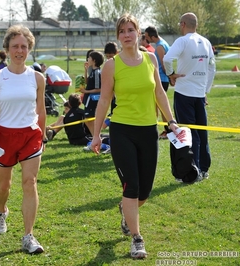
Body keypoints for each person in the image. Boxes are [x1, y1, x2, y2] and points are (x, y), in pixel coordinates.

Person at [90, 13, 179, 259]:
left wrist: (170, 120)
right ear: (117, 37)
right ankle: (137, 239)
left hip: (148, 130)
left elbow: (159, 93)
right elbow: (105, 100)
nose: (127, 35)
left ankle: (124, 208)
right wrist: (97, 135)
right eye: (122, 31)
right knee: (132, 186)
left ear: (138, 33)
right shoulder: (111, 65)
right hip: (121, 131)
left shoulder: (151, 59)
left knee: (144, 192)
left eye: (131, 30)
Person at [0, 24, 46, 254]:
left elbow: (41, 110)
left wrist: (44, 137)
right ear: (7, 49)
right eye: (15, 46)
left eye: (24, 46)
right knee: (4, 185)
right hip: (4, 136)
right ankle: (2, 211)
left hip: (30, 135)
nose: (19, 50)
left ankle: (28, 236)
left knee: (30, 182)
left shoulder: (38, 78)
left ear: (29, 49)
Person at [163, 12, 216, 181]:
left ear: (183, 24)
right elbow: (212, 69)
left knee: (187, 132)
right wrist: (205, 90)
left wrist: (171, 74)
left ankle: (193, 170)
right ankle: (204, 169)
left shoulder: (182, 41)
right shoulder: (206, 42)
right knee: (202, 132)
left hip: (184, 93)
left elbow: (167, 58)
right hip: (200, 94)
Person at [145, 26, 171, 139]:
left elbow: (164, 65)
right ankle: (166, 129)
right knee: (158, 105)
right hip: (162, 79)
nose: (146, 39)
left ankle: (168, 130)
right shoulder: (163, 43)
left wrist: (170, 77)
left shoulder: (160, 46)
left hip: (162, 79)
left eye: (147, 37)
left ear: (152, 36)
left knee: (160, 106)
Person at [80, 51, 104, 137]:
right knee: (87, 120)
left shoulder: (97, 73)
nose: (88, 59)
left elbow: (99, 89)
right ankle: (96, 137)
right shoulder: (92, 71)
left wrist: (86, 91)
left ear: (94, 60)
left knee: (88, 119)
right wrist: (86, 70)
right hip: (88, 99)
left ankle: (96, 137)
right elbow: (87, 82)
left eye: (89, 58)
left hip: (92, 99)